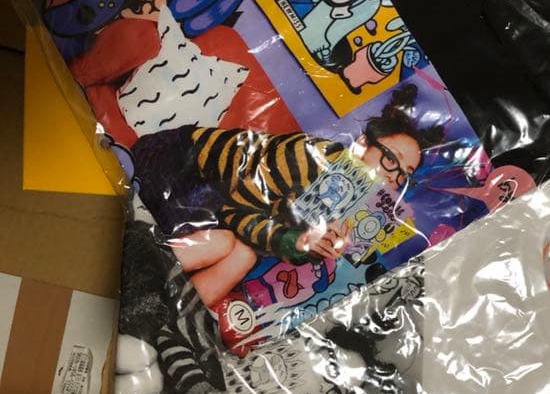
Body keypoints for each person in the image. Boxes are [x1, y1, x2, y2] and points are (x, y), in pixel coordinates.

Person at [133, 84, 443, 307]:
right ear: (364, 143)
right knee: (225, 242)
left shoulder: (352, 209)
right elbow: (235, 212)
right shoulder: (311, 156)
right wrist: (292, 240)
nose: (392, 176)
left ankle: (167, 312)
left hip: (214, 206)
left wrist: (310, 246)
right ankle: (141, 274)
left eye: (404, 175)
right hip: (176, 165)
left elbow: (270, 239)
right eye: (391, 159)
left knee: (244, 255)